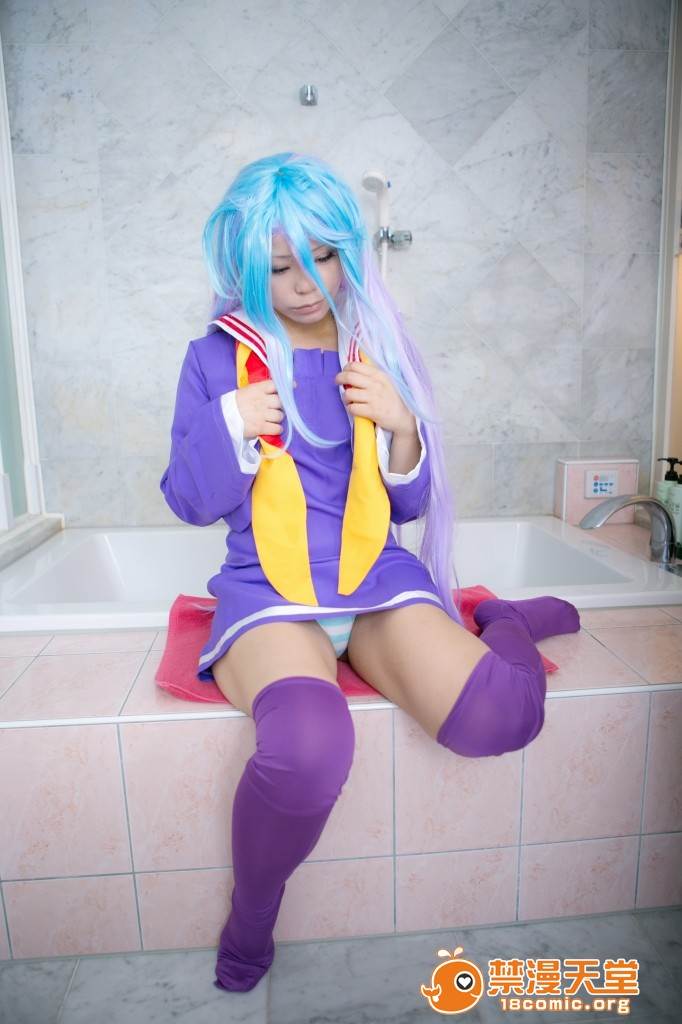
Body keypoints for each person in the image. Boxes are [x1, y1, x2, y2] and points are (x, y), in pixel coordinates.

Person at [159, 152, 581, 993]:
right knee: (308, 748)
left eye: (322, 256)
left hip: (376, 578)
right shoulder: (214, 359)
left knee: (502, 714)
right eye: (278, 267)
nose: (305, 284)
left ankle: (502, 621)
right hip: (271, 592)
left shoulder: (377, 349)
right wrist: (230, 421)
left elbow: (413, 501)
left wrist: (402, 426)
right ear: (243, 267)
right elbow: (189, 501)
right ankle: (252, 914)